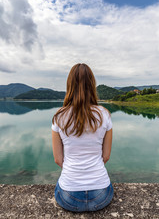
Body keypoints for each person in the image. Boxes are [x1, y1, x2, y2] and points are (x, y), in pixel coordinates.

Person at [51, 63, 114, 212]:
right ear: (92, 85)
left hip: (69, 197)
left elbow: (58, 160)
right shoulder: (104, 114)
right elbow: (106, 156)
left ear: (69, 85)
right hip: (101, 196)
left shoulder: (59, 117)